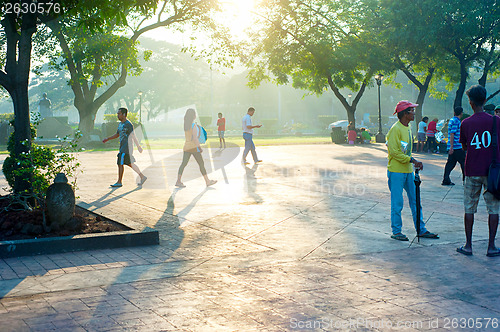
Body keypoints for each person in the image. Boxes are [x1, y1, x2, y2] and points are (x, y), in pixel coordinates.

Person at [386, 100, 439, 241]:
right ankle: (396, 231)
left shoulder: (408, 128)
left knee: (415, 201)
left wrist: (413, 161)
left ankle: (421, 229)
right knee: (397, 203)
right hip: (396, 171)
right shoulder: (395, 129)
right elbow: (395, 152)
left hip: (408, 170)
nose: (414, 113)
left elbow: (405, 151)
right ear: (404, 113)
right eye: (412, 111)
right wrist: (412, 160)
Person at [457, 85, 500, 257]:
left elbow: (465, 146)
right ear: (485, 100)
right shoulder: (497, 121)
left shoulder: (465, 123)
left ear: (471, 102)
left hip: (472, 170)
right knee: (494, 209)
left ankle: (468, 245)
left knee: (469, 208)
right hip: (493, 173)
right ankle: (491, 246)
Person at [102, 107, 147, 188]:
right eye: (117, 114)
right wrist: (108, 138)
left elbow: (133, 135)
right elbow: (117, 134)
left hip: (126, 148)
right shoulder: (120, 124)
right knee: (130, 164)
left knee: (120, 163)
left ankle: (119, 182)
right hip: (122, 147)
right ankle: (142, 177)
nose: (117, 115)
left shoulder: (128, 124)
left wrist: (138, 146)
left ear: (124, 114)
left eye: (119, 114)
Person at [175, 108, 217, 188]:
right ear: (193, 116)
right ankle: (207, 181)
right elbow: (195, 138)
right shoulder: (193, 125)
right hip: (194, 147)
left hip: (186, 146)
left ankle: (178, 181)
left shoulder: (186, 125)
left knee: (183, 164)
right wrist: (199, 148)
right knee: (201, 164)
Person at [442, 107, 465, 186]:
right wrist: (452, 147)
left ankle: (446, 179)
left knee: (451, 164)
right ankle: (465, 180)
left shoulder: (452, 120)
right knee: (463, 163)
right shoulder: (456, 121)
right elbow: (452, 133)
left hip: (453, 146)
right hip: (457, 146)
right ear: (461, 113)